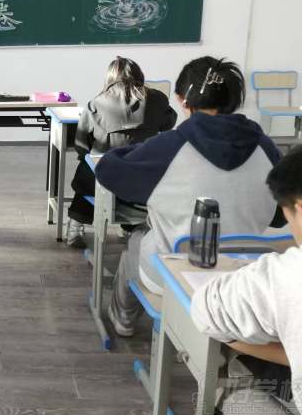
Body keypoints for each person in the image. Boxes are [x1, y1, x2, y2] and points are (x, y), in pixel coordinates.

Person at [95, 57, 284, 337]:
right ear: (235, 100)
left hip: (177, 275)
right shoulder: (267, 149)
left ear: (182, 100)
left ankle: (122, 319)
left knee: (136, 242)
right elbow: (279, 218)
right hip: (245, 278)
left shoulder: (168, 147)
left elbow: (109, 171)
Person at [190, 142, 302, 415]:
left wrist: (295, 353)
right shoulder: (262, 145)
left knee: (235, 392)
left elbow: (206, 313)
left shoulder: (291, 272)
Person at [66, 57, 177, 248]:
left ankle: (75, 226)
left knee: (87, 170)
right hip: (142, 175)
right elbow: (168, 123)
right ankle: (129, 228)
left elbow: (81, 143)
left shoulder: (97, 103)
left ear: (109, 78)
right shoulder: (158, 99)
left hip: (104, 175)